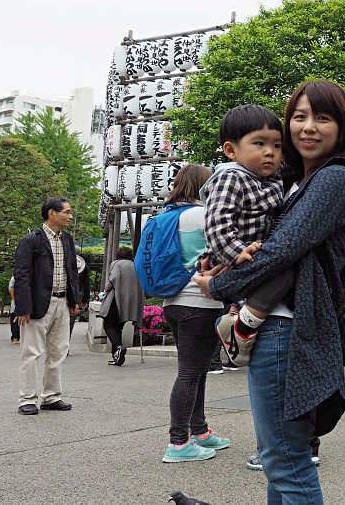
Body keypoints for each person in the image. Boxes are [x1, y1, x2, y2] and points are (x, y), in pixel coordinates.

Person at [198, 79, 345, 502]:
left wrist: (218, 285)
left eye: (322, 117)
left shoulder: (334, 180)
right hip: (279, 327)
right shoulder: (296, 180)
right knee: (279, 460)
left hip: (288, 329)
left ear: (343, 127)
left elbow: (281, 250)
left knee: (286, 461)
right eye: (299, 117)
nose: (308, 127)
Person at [202, 104, 287, 367]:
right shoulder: (231, 178)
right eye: (259, 143)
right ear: (231, 150)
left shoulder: (272, 177)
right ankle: (237, 329)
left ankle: (234, 326)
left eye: (276, 145)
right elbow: (217, 222)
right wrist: (236, 251)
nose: (269, 153)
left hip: (256, 252)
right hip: (236, 253)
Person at [159, 164, 231, 463]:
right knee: (191, 372)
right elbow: (225, 251)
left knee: (197, 370)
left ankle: (199, 431)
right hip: (199, 302)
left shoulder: (166, 215)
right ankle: (178, 443)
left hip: (173, 301)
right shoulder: (203, 215)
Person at [13, 197, 80, 415]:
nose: (70, 216)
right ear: (52, 213)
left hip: (62, 301)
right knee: (31, 353)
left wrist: (74, 299)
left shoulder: (67, 240)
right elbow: (21, 275)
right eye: (66, 212)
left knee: (58, 351)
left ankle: (51, 396)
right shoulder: (31, 240)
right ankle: (27, 399)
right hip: (37, 304)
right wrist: (22, 307)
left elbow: (72, 271)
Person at [99, 247, 145, 366]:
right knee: (118, 327)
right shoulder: (136, 266)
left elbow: (112, 280)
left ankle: (118, 347)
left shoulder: (116, 264)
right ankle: (116, 355)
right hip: (130, 303)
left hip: (116, 300)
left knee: (108, 325)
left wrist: (105, 290)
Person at [8, 276, 19, 344]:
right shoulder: (15, 276)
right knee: (14, 318)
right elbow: (11, 287)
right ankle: (15, 336)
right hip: (16, 299)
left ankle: (16, 337)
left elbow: (10, 287)